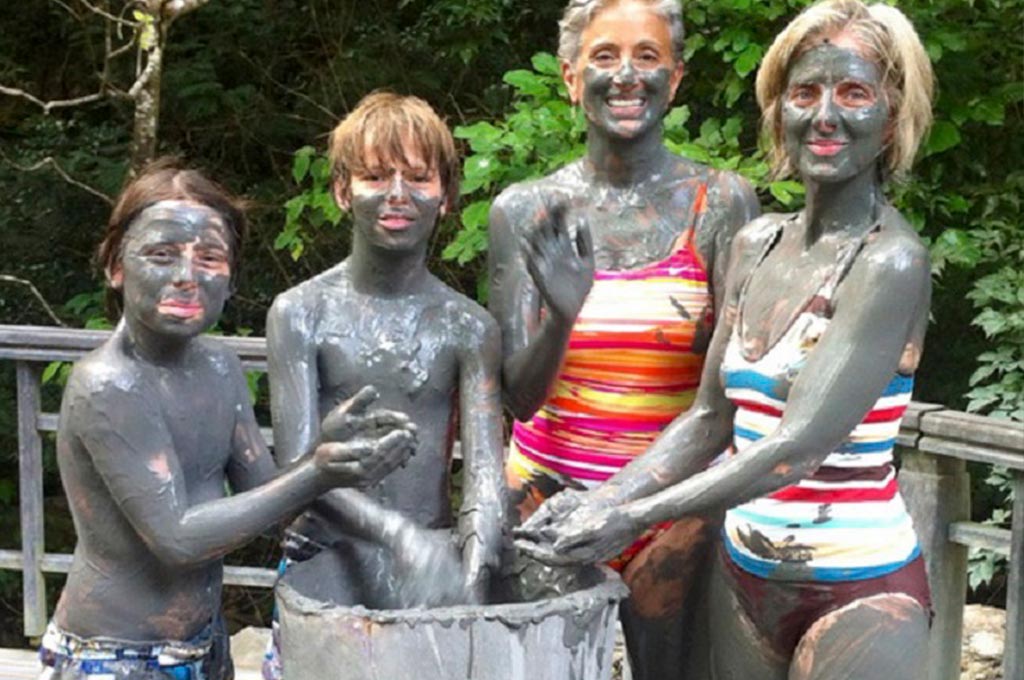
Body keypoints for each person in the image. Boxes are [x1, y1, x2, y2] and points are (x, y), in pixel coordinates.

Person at [518, 1, 936, 677]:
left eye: (853, 93)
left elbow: (792, 449)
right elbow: (710, 419)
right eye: (805, 93)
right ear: (779, 111)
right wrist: (600, 500)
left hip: (858, 588)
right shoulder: (754, 243)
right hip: (744, 576)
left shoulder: (889, 261)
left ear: (891, 118)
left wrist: (631, 518)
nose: (825, 115)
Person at [41, 161, 417, 680]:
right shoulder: (108, 384)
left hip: (202, 642)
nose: (186, 277)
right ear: (116, 267)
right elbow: (177, 539)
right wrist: (315, 473)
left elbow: (265, 495)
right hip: (115, 653)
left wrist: (326, 454)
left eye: (210, 258)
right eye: (161, 255)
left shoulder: (220, 366)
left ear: (231, 278)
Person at [486, 0, 759, 676]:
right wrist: (561, 313)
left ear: (677, 77)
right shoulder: (525, 209)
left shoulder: (723, 203)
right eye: (605, 57)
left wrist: (632, 506)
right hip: (547, 495)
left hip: (675, 505)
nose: (626, 75)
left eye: (647, 56)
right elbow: (516, 397)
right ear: (571, 77)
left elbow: (725, 394)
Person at [263, 90, 505, 639]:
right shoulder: (300, 313)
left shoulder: (468, 327)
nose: (398, 195)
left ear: (445, 197)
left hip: (433, 561)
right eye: (375, 176)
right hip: (330, 556)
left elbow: (486, 471)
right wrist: (397, 536)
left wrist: (475, 560)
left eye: (418, 178)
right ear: (342, 191)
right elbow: (300, 468)